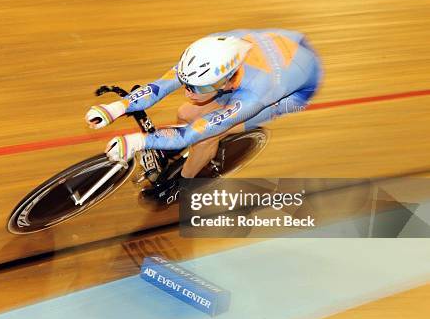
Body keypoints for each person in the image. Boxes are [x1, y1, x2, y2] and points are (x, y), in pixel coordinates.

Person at [85, 29, 322, 203]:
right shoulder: (208, 54)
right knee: (185, 111)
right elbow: (160, 86)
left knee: (205, 137)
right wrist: (115, 108)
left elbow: (195, 131)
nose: (188, 92)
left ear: (227, 80)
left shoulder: (255, 95)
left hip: (292, 89)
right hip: (286, 44)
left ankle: (184, 185)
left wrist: (137, 141)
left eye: (198, 87)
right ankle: (179, 154)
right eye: (187, 84)